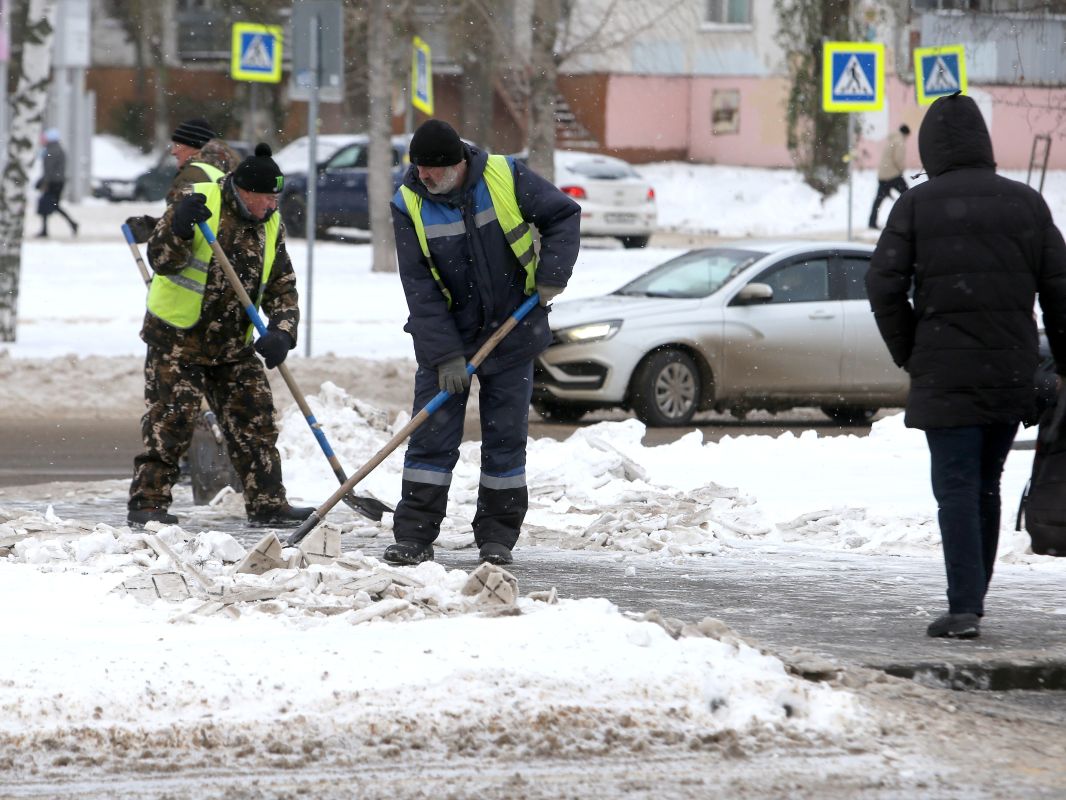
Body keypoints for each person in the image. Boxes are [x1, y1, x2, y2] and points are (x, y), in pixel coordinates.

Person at [865, 92, 1066, 639]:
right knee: (987, 484)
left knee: (955, 486)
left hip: (944, 375)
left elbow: (881, 282)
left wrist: (910, 350)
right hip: (1010, 371)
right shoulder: (1026, 204)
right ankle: (971, 602)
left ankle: (964, 608)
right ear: (984, 142)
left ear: (930, 148)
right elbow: (1059, 290)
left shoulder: (916, 205)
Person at [385, 119, 581, 566]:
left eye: (434, 170)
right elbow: (419, 288)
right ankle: (414, 535)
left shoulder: (504, 176)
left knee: (505, 439)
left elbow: (563, 215)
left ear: (458, 163)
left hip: (513, 329)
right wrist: (446, 356)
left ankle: (497, 537)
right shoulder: (408, 204)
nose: (425, 177)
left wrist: (553, 275)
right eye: (419, 168)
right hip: (446, 337)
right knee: (431, 439)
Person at [126, 143, 314, 528]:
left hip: (232, 343)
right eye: (263, 196)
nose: (270, 205)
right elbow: (161, 260)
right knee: (171, 423)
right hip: (178, 337)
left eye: (274, 197)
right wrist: (178, 226)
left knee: (255, 419)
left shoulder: (270, 222)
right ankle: (148, 504)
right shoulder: (198, 201)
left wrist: (282, 331)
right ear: (242, 191)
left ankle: (267, 503)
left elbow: (282, 285)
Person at [125, 118, 241, 243]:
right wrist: (154, 224)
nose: (173, 151)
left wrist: (149, 229)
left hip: (205, 260)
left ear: (194, 146)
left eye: (178, 145)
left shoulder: (192, 175)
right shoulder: (231, 172)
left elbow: (181, 226)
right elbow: (212, 220)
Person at [35, 128, 78, 238]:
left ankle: (70, 224)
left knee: (48, 205)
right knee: (51, 205)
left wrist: (44, 182)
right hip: (57, 182)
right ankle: (70, 224)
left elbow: (49, 169)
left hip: (53, 183)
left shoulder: (51, 151)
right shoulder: (57, 149)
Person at [868, 123, 910, 230]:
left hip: (883, 175)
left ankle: (872, 222)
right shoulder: (899, 141)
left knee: (878, 200)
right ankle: (914, 219)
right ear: (906, 134)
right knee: (909, 196)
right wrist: (901, 170)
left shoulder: (892, 140)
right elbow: (898, 159)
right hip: (893, 175)